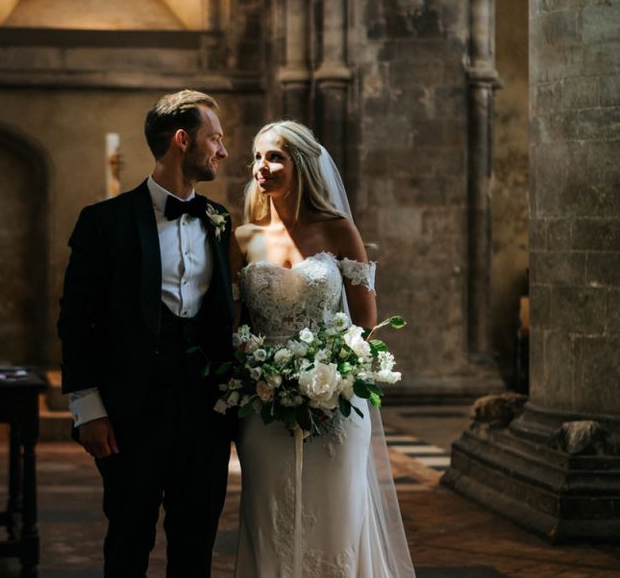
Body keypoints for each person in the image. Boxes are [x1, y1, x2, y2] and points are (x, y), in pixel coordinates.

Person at [58, 89, 234, 577]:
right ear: (182, 140)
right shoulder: (103, 223)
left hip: (205, 416)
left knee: (195, 548)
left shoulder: (220, 221)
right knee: (128, 543)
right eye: (214, 138)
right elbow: (76, 319)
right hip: (130, 416)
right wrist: (87, 409)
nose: (222, 150)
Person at [229, 120, 415, 578]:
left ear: (303, 165)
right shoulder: (242, 239)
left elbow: (366, 321)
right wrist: (261, 370)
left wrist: (333, 371)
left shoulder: (338, 230)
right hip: (262, 399)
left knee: (335, 516)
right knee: (269, 515)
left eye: (274, 157)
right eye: (256, 157)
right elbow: (236, 327)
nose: (262, 167)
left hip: (334, 397)